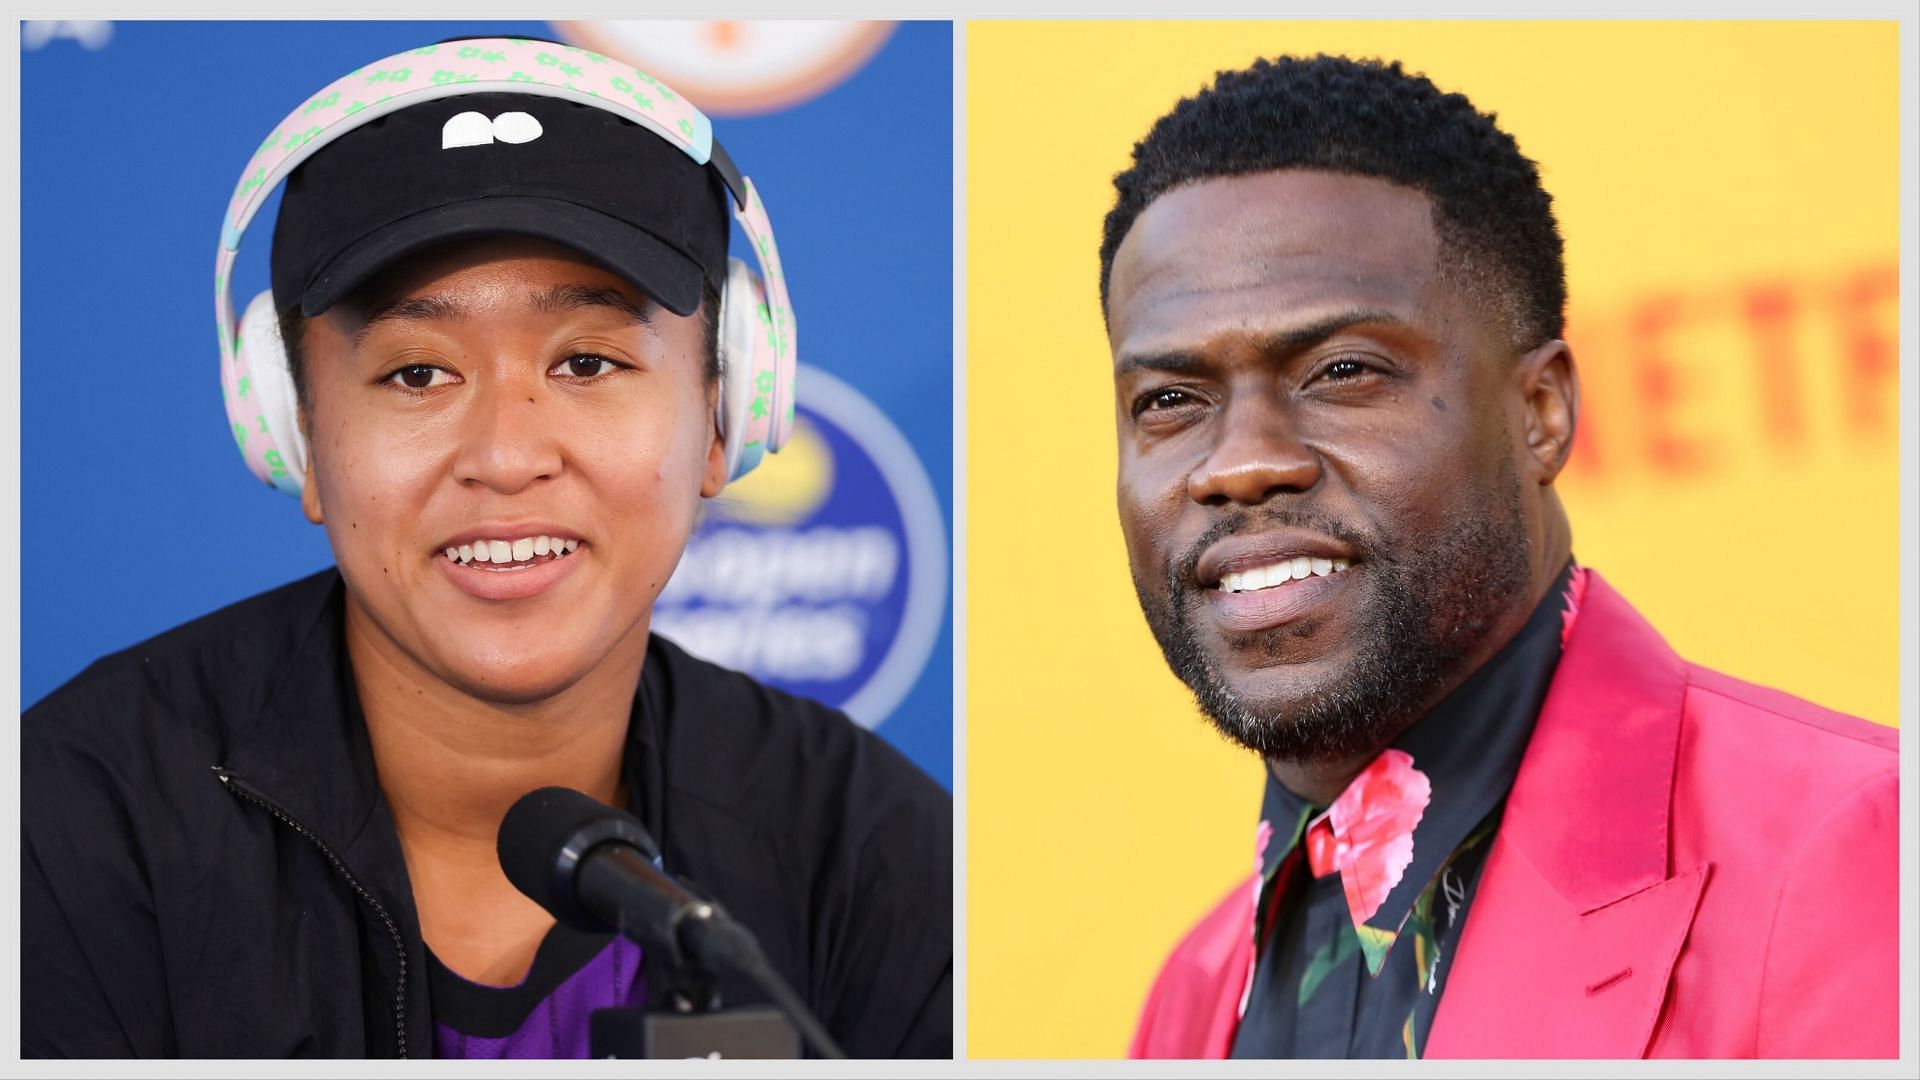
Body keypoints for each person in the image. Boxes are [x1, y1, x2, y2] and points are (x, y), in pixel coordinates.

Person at [21, 36, 950, 1059]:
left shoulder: (869, 854)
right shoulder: (72, 833)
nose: (507, 456)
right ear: (292, 436)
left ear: (728, 411)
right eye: (417, 375)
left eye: (588, 361)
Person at [1104, 55, 1896, 1059]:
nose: (1244, 462)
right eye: (1170, 401)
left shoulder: (1848, 855)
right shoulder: (1191, 1000)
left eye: (1342, 371)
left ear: (1541, 412)